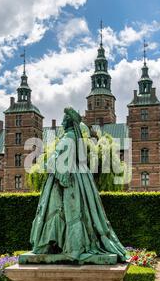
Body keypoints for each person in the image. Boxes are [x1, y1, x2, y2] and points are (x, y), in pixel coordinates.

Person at [30, 107, 127, 262]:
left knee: (60, 210)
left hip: (68, 180)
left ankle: (66, 246)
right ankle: (68, 244)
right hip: (80, 178)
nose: (61, 121)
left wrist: (48, 165)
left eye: (64, 119)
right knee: (80, 211)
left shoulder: (68, 136)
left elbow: (59, 159)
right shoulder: (74, 136)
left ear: (68, 121)